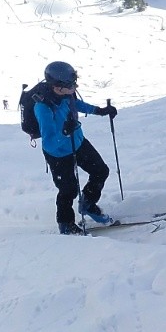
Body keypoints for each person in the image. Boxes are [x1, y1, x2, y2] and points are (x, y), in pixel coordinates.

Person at [35, 60, 118, 233]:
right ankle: (66, 224)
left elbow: (77, 104)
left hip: (78, 143)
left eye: (74, 82)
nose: (74, 87)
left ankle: (87, 203)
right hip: (58, 154)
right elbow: (49, 141)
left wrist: (99, 111)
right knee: (68, 189)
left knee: (100, 171)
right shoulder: (43, 107)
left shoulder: (67, 95)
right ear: (57, 86)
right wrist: (65, 133)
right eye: (70, 85)